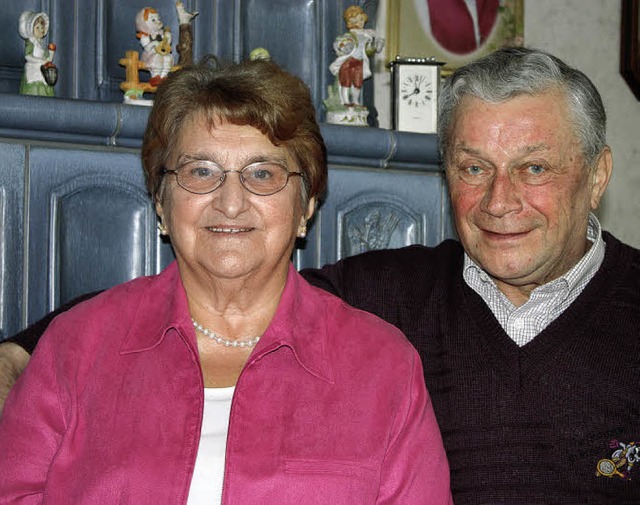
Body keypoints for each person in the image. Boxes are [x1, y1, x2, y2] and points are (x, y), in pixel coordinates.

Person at [2, 46, 639, 503]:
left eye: (533, 169)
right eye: (473, 168)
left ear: (598, 176)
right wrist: (20, 349)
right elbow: (218, 283)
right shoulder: (394, 295)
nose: (500, 201)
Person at [0, 59, 452, 503]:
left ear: (306, 206)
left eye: (263, 174)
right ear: (161, 200)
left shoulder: (384, 367)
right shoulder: (75, 346)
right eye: (201, 171)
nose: (231, 202)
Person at [329, 5, 384, 107]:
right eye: (358, 20)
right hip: (349, 61)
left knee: (358, 83)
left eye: (362, 20)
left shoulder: (366, 36)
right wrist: (342, 46)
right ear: (351, 22)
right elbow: (338, 43)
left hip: (359, 62)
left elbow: (368, 50)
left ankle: (355, 101)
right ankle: (345, 101)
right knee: (346, 82)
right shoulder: (349, 35)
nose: (361, 22)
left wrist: (377, 46)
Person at [18, 10, 57, 96]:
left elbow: (48, 58)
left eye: (42, 27)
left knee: (46, 83)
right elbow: (28, 56)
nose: (41, 30)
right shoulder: (31, 42)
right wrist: (40, 61)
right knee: (35, 86)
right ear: (31, 29)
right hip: (33, 67)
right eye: (37, 28)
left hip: (42, 67)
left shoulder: (41, 44)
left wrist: (51, 53)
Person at [135, 7, 174, 87]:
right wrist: (153, 43)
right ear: (143, 23)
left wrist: (168, 37)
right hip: (150, 56)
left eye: (158, 19)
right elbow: (147, 48)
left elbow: (167, 44)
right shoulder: (145, 37)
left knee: (168, 58)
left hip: (162, 54)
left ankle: (164, 77)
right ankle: (156, 77)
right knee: (158, 59)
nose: (158, 22)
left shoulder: (161, 34)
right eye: (153, 20)